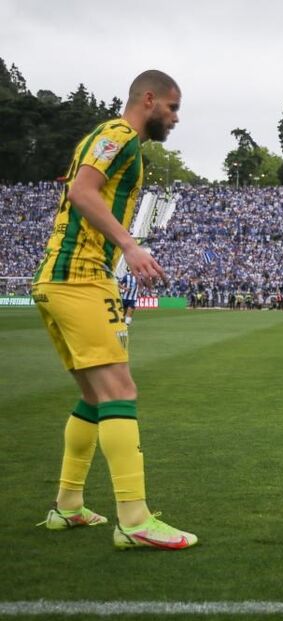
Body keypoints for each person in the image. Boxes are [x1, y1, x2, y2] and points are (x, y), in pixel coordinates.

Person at [32, 70, 196, 550]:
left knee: (94, 397)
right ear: (148, 99)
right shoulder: (118, 134)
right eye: (172, 107)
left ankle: (68, 506)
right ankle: (135, 520)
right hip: (79, 277)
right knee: (120, 391)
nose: (175, 118)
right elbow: (82, 192)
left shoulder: (117, 141)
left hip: (63, 278)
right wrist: (129, 244)